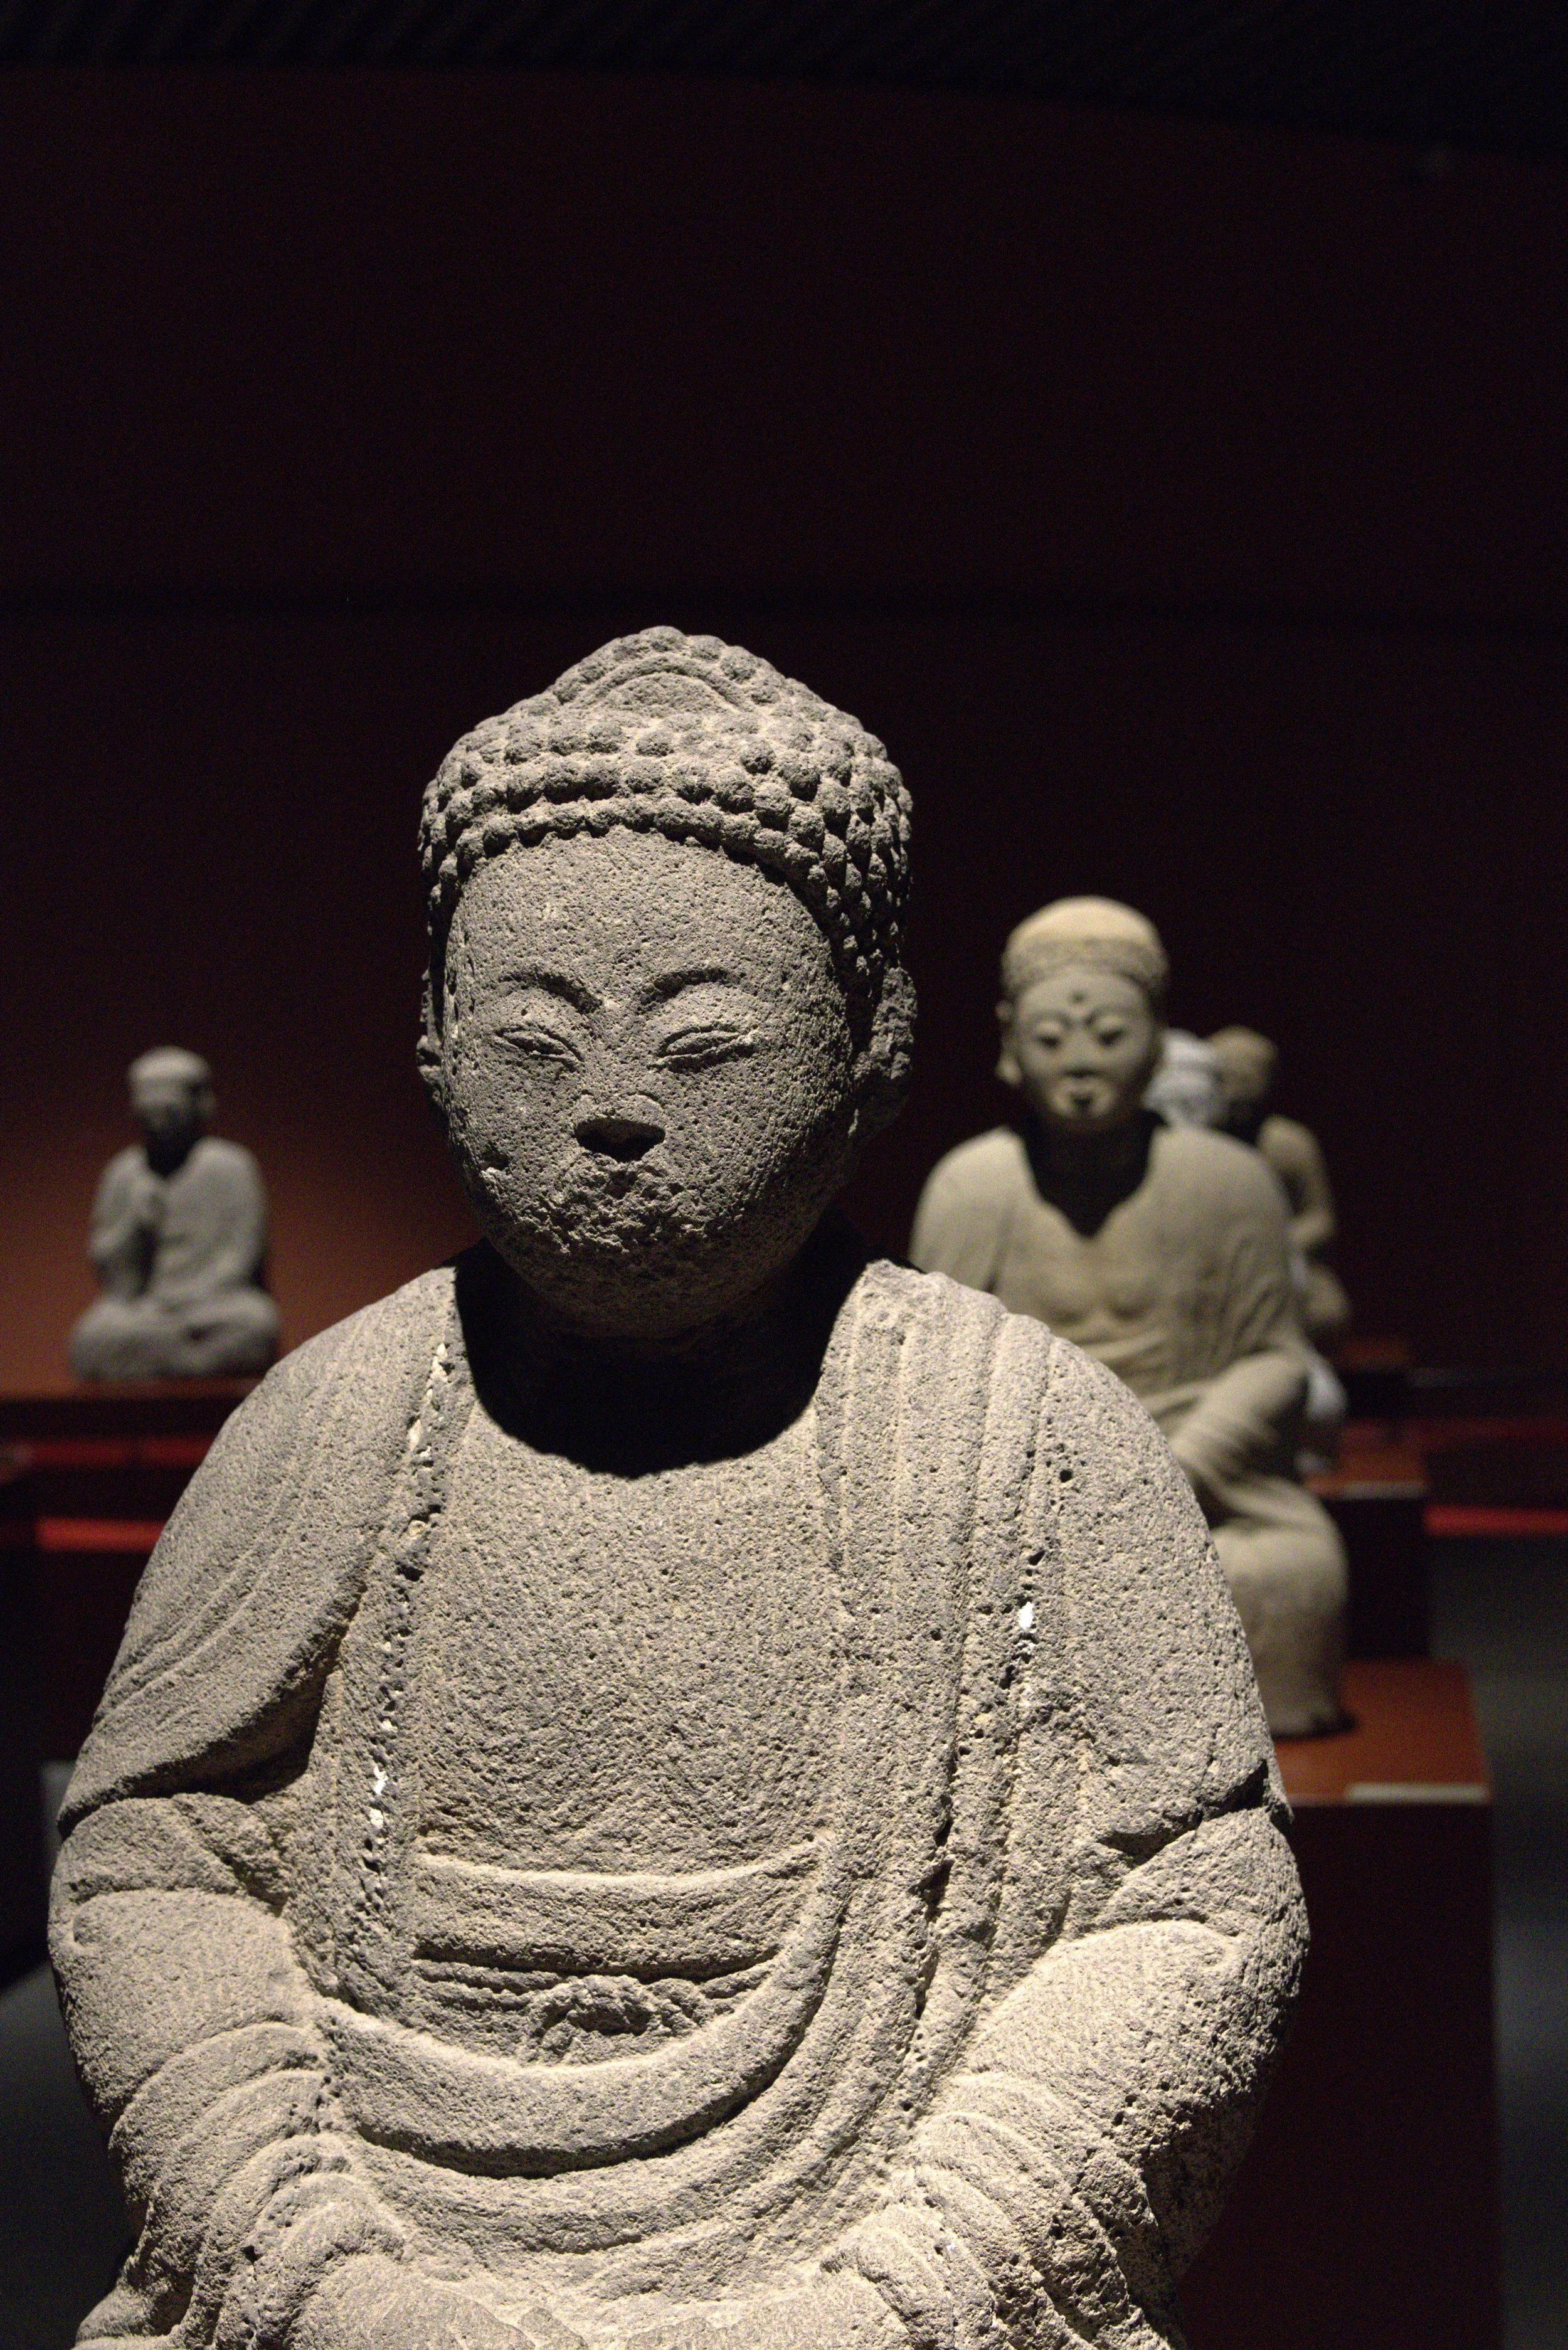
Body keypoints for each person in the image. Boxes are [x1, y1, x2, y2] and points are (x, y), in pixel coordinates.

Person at [54, 638, 1303, 2350]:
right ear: (429, 1046)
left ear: (875, 1044)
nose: (614, 1112)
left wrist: (911, 2288)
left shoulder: (1024, 1432)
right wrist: (314, 2262)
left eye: (704, 1042)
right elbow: (147, 1857)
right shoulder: (339, 1417)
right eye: (531, 1042)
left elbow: (1192, 1901)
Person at [911, 897, 1345, 1737]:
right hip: (1033, 1489)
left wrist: (1178, 1467)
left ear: (1156, 1041)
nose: (1079, 1064)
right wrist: (1052, 1482)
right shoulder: (975, 1185)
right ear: (1008, 1045)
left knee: (1291, 1573)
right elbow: (941, 1375)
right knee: (956, 1591)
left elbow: (1274, 1359)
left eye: (1109, 1036)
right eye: (1050, 1039)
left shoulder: (1228, 1181)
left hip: (1204, 1479)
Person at [68, 1047, 279, 1380]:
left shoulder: (232, 1168)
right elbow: (115, 1280)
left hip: (211, 1306)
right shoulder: (124, 1174)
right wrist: (134, 1225)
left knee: (256, 1323)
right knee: (92, 1338)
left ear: (201, 1107)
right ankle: (183, 1364)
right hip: (144, 1312)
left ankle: (166, 1365)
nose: (160, 1125)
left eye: (170, 1113)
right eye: (149, 1115)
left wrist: (179, 1301)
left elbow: (240, 1259)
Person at [1208, 1027, 1352, 1347]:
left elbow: (1320, 1218)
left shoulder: (1287, 1143)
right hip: (1215, 1265)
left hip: (1280, 1265)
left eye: (1248, 1078)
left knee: (1327, 1311)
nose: (1237, 1092)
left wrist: (1278, 1246)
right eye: (1227, 1078)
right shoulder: (1201, 1144)